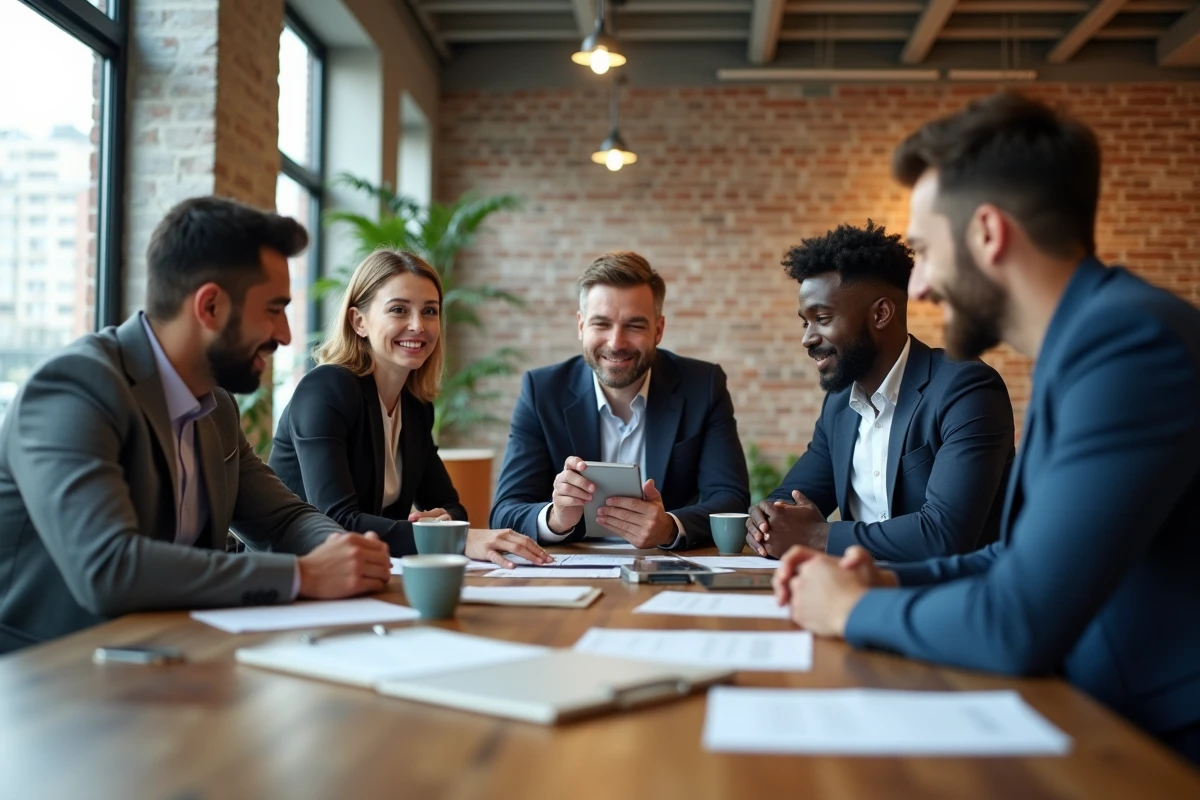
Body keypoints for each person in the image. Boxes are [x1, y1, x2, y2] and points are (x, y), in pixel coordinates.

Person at [772, 92, 1200, 765]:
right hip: (1096, 714)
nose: (919, 288)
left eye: (923, 251)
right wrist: (885, 583)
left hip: (1152, 747)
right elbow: (1013, 560)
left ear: (988, 234)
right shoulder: (1090, 339)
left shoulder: (1128, 345)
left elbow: (1018, 620)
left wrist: (850, 612)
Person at [0, 197, 392, 653]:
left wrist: (346, 553)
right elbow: (107, 569)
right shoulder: (75, 388)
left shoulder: (216, 406)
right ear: (209, 307)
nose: (285, 335)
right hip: (50, 675)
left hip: (174, 654)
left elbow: (283, 520)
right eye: (273, 309)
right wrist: (303, 575)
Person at [745, 221, 1014, 562]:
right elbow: (790, 498)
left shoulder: (966, 390)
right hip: (854, 594)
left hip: (955, 600)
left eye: (822, 318)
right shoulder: (839, 406)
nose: (807, 338)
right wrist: (765, 520)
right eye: (805, 322)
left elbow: (946, 533)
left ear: (881, 314)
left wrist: (818, 535)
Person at [270, 249, 552, 568]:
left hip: (369, 574)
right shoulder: (325, 390)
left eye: (429, 311)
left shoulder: (416, 406)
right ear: (358, 322)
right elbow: (336, 522)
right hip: (294, 578)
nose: (418, 325)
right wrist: (446, 537)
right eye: (399, 310)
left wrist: (443, 521)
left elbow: (452, 508)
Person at [490, 251, 750, 549]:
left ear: (659, 330)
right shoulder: (542, 391)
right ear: (580, 326)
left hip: (667, 569)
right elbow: (505, 511)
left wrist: (670, 527)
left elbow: (731, 499)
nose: (616, 343)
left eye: (635, 326)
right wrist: (555, 518)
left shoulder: (702, 385)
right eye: (601, 324)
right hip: (570, 569)